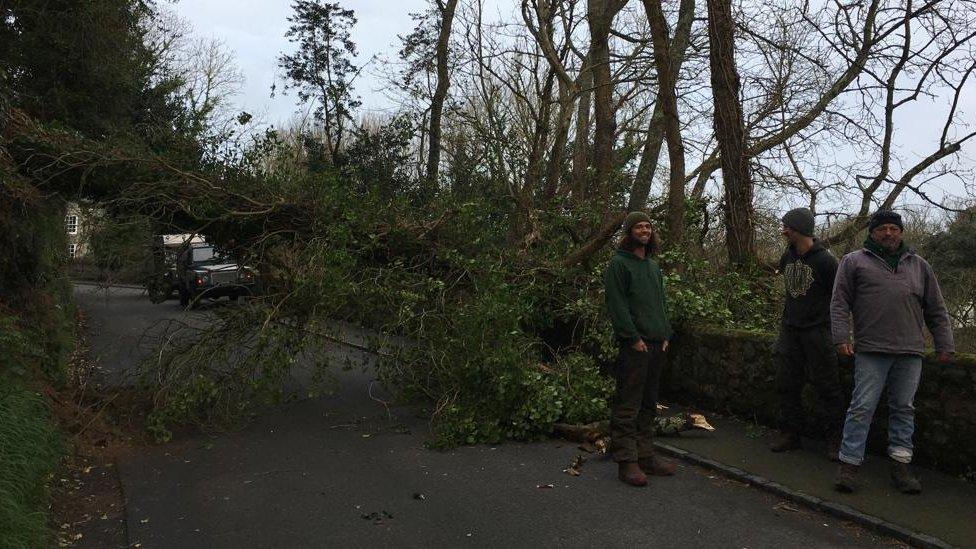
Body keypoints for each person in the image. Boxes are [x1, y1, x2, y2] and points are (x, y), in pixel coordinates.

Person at [830, 210, 954, 494]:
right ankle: (848, 466)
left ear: (901, 232)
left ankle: (900, 466)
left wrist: (945, 345)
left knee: (904, 409)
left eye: (893, 228)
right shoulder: (853, 262)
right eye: (882, 228)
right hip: (871, 349)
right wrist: (840, 338)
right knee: (861, 408)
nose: (888, 233)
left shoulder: (919, 266)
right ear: (872, 232)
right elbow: (839, 304)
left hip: (910, 351)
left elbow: (936, 309)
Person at [603, 212, 677, 487]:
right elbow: (617, 305)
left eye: (648, 226)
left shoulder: (653, 266)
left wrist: (666, 333)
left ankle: (646, 455)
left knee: (648, 403)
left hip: (658, 343)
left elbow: (661, 303)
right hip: (635, 344)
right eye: (639, 227)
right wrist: (632, 337)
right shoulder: (619, 265)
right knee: (628, 404)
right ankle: (627, 461)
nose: (644, 230)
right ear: (629, 232)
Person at [770, 208, 846, 460]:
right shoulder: (787, 257)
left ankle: (835, 440)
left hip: (818, 331)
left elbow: (839, 298)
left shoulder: (826, 261)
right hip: (791, 330)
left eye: (787, 227)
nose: (784, 231)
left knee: (827, 386)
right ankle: (790, 434)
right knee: (786, 383)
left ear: (799, 228)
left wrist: (841, 334)